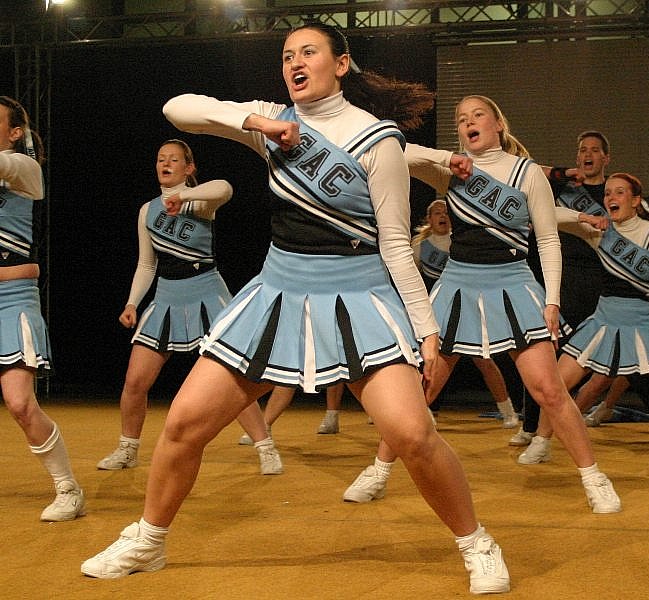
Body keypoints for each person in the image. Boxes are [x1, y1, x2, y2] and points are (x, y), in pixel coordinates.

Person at [81, 24, 509, 594]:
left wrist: (427, 330)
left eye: (308, 52)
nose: (295, 63)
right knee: (183, 424)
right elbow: (177, 108)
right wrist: (259, 124)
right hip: (277, 294)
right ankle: (148, 540)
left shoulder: (377, 139)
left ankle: (477, 543)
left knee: (412, 434)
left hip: (359, 297)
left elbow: (394, 243)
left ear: (341, 64)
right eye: (287, 56)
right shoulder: (273, 119)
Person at [344, 95, 621, 514]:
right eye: (461, 119)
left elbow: (548, 239)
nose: (468, 123)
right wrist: (446, 158)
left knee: (549, 389)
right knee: (422, 388)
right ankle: (379, 471)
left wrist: (552, 301)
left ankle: (594, 477)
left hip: (514, 282)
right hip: (457, 284)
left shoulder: (526, 172)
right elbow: (394, 148)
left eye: (477, 115)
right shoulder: (451, 171)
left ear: (498, 125)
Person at [94, 139, 274, 475]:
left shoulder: (201, 201)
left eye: (174, 159)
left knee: (230, 379)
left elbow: (225, 188)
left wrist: (184, 195)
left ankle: (265, 448)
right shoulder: (147, 211)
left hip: (207, 292)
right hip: (166, 297)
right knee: (135, 381)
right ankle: (128, 449)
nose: (165, 164)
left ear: (189, 168)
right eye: (160, 159)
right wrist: (132, 303)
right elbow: (146, 264)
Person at [513, 132, 649, 453]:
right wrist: (563, 178)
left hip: (605, 285)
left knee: (636, 360)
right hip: (565, 281)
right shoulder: (563, 189)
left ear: (606, 158)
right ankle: (531, 428)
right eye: (582, 150)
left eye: (595, 150)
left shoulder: (616, 192)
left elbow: (646, 227)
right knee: (544, 355)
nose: (587, 155)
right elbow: (528, 182)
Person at [533, 173, 649, 468]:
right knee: (556, 384)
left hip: (646, 320)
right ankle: (541, 442)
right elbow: (547, 213)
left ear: (635, 201)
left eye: (619, 192)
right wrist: (584, 216)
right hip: (605, 320)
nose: (611, 197)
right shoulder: (599, 231)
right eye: (608, 193)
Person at [0, 95, 85, 521]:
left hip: (12, 299)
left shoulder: (25, 168)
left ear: (15, 132)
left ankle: (68, 488)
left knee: (19, 403)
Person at [411, 198, 518, 429]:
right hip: (439, 311)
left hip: (469, 307)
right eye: (437, 213)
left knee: (484, 361)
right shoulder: (419, 246)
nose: (442, 216)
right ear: (429, 219)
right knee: (432, 361)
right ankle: (419, 410)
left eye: (446, 212)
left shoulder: (461, 241)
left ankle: (508, 411)